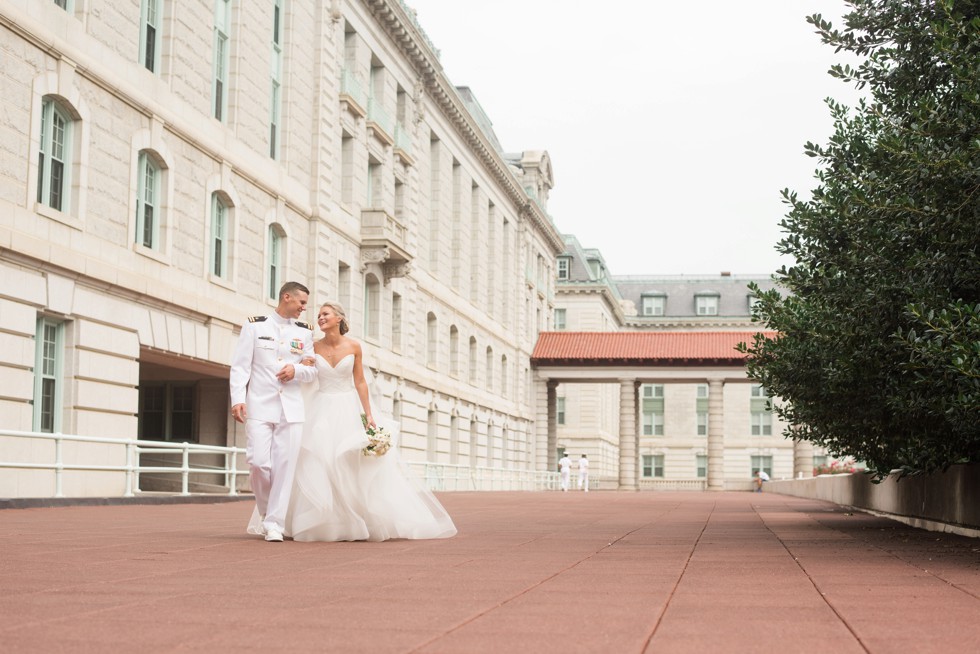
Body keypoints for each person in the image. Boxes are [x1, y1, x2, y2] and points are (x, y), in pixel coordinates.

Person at [249, 301, 456, 542]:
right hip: (320, 407)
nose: (320, 318)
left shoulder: (354, 346)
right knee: (319, 461)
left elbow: (360, 382)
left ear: (339, 318)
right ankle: (321, 522)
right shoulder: (312, 346)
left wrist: (368, 415)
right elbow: (306, 376)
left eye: (325, 314)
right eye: (318, 315)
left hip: (347, 406)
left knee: (349, 463)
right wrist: (300, 367)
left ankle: (357, 520)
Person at [230, 281, 317, 542]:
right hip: (259, 405)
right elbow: (240, 366)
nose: (304, 308)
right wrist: (237, 398)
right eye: (301, 302)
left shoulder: (304, 333)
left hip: (291, 410)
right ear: (286, 297)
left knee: (284, 466)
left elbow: (312, 370)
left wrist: (296, 370)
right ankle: (268, 512)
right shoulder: (255, 326)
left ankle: (275, 524)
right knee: (258, 463)